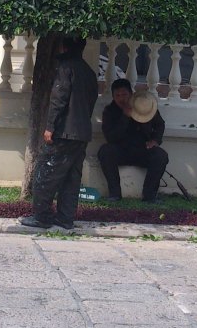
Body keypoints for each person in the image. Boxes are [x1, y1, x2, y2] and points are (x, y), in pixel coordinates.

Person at [20, 36, 98, 230]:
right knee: (71, 179)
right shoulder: (88, 71)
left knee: (45, 173)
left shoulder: (65, 68)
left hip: (64, 132)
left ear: (63, 47)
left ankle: (42, 216)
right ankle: (65, 218)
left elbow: (59, 100)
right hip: (81, 133)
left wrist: (50, 127)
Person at [98, 79, 169, 202]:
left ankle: (149, 195)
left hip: (142, 149)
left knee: (161, 156)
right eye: (117, 96)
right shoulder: (110, 111)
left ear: (131, 94)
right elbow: (110, 137)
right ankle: (115, 194)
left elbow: (159, 124)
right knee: (105, 151)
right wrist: (125, 117)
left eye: (124, 94)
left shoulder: (144, 104)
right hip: (121, 149)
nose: (121, 99)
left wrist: (155, 140)